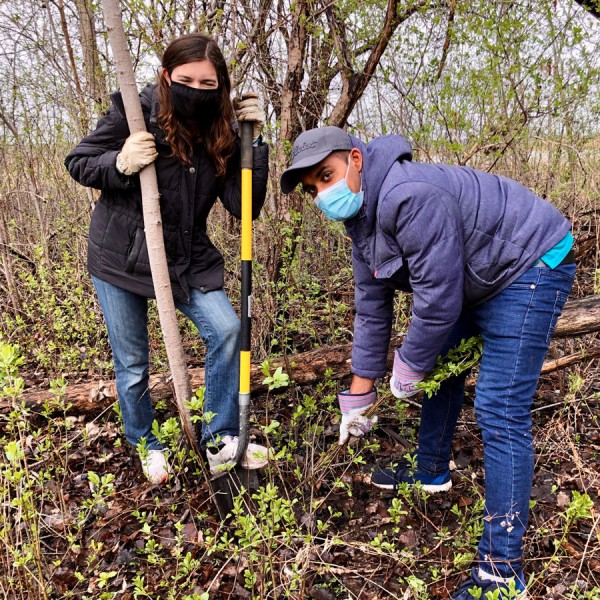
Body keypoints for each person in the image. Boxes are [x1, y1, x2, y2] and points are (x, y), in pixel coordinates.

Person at [280, 126, 575, 598]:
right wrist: (360, 394)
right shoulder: (361, 221)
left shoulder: (409, 195)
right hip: (477, 274)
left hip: (530, 261)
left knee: (499, 407)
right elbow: (370, 306)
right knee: (442, 368)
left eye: (326, 175)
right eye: (313, 188)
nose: (322, 193)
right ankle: (430, 472)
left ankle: (501, 573)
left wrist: (408, 367)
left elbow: (437, 301)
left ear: (355, 159)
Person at [65, 33, 270, 484]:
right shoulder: (134, 112)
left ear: (221, 86)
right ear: (166, 77)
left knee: (228, 330)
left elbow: (245, 206)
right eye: (186, 80)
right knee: (134, 362)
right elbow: (78, 161)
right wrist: (119, 163)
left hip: (187, 255)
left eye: (207, 83)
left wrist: (253, 145)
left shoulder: (224, 130)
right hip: (120, 256)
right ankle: (146, 443)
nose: (196, 90)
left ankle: (219, 437)